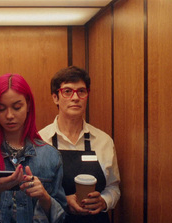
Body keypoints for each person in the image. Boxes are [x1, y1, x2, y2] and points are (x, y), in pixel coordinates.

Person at [0, 73, 67, 223]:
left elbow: (62, 216)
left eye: (17, 107)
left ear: (28, 105)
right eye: (1, 108)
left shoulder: (50, 156)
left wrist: (44, 197)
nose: (9, 115)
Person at [39, 66, 120, 223]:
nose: (75, 97)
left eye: (81, 91)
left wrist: (104, 201)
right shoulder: (40, 140)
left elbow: (113, 188)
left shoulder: (104, 141)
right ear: (55, 97)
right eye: (67, 91)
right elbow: (31, 194)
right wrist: (62, 201)